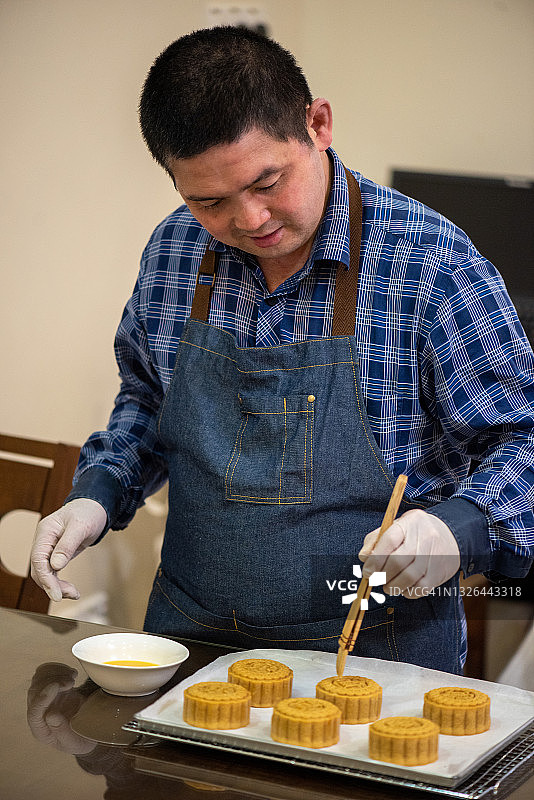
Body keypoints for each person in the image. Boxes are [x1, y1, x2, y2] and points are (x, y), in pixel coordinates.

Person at [31, 26, 534, 674]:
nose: (250, 219)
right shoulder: (177, 249)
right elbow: (147, 401)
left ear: (318, 124)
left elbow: (524, 439)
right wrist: (95, 496)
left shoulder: (431, 265)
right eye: (209, 200)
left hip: (375, 657)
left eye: (267, 182)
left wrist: (456, 528)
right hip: (191, 642)